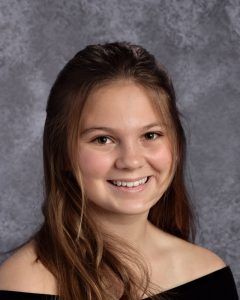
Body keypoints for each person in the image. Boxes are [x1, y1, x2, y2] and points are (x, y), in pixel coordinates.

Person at [0, 42, 238, 300]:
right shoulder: (25, 283)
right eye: (103, 139)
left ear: (176, 144)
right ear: (62, 155)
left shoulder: (207, 273)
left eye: (150, 135)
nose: (131, 161)